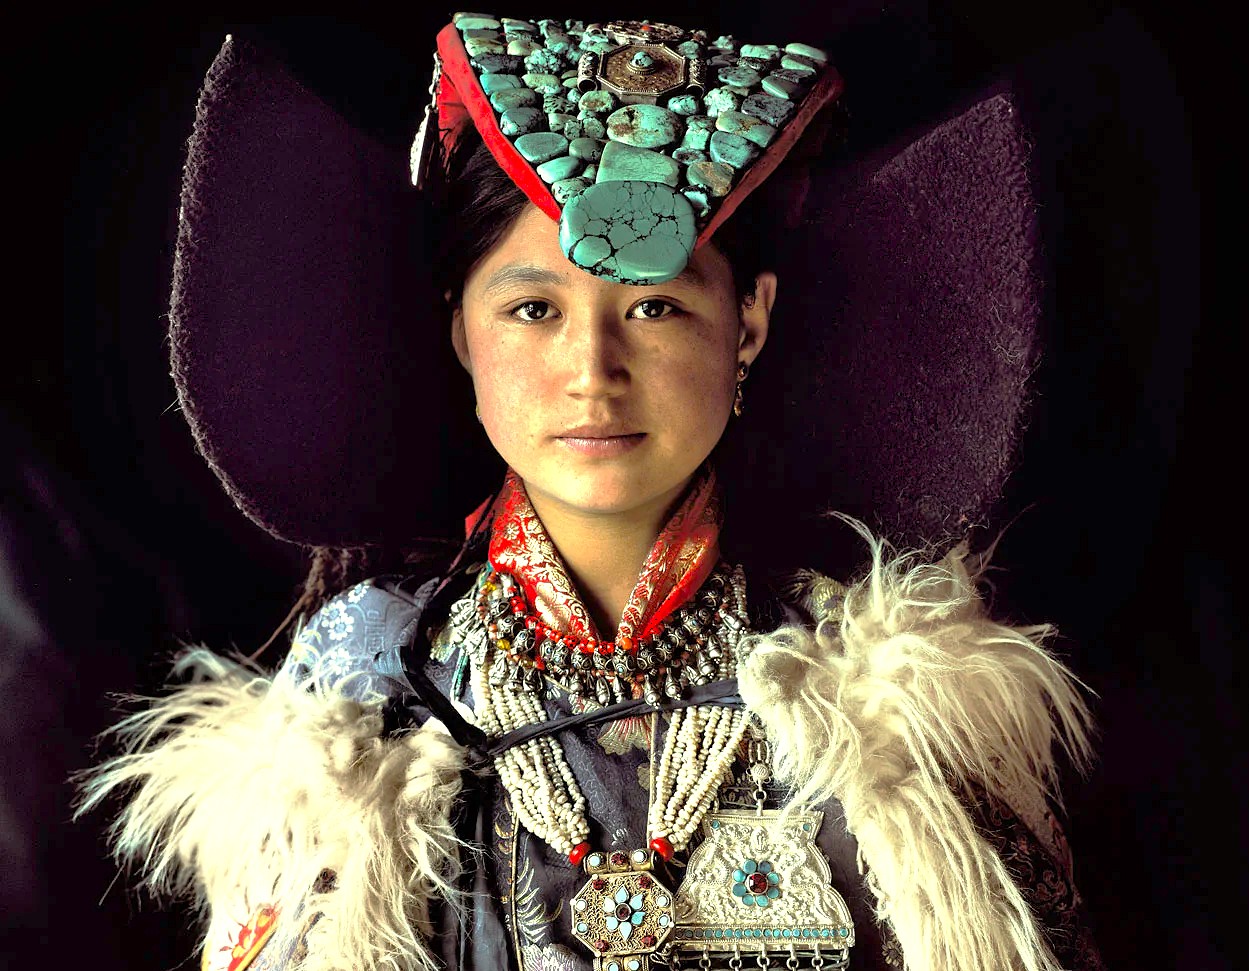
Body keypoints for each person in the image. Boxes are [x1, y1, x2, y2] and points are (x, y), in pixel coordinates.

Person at [78, 14, 1104, 971]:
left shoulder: (884, 699)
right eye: (532, 307)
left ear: (747, 323)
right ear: (456, 328)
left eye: (655, 306)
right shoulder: (361, 688)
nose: (592, 369)